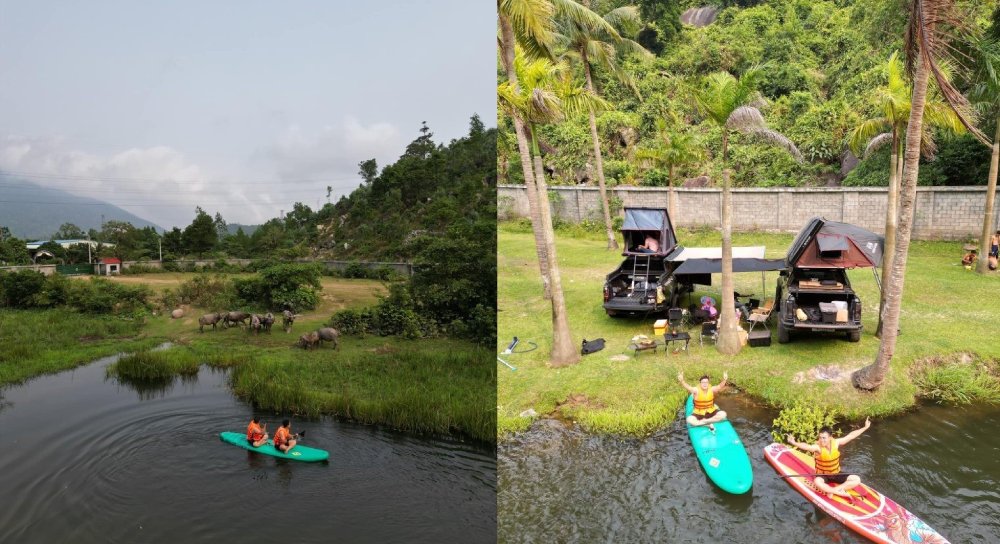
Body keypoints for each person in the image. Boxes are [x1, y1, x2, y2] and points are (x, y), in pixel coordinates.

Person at [786, 418, 872, 500]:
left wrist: (865, 427)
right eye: (820, 437)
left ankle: (835, 490)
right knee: (817, 482)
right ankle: (838, 492)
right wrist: (795, 443)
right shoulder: (818, 448)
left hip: (836, 473)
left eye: (824, 438)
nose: (821, 440)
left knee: (856, 479)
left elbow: (851, 436)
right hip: (823, 475)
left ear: (830, 438)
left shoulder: (836, 443)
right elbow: (807, 446)